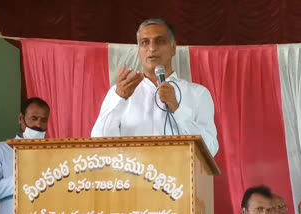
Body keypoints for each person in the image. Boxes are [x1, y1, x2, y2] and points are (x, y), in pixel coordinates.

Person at [91, 18, 219, 156]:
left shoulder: (198, 94)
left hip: (179, 175)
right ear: (139, 50)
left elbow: (210, 149)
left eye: (160, 41)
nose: (152, 48)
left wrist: (177, 108)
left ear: (173, 48)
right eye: (145, 42)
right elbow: (99, 143)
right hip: (132, 175)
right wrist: (119, 100)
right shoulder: (120, 93)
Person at [0, 97, 50, 214]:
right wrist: (20, 179)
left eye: (44, 120)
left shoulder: (52, 152)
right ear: (20, 119)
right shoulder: (1, 150)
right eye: (34, 118)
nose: (38, 124)